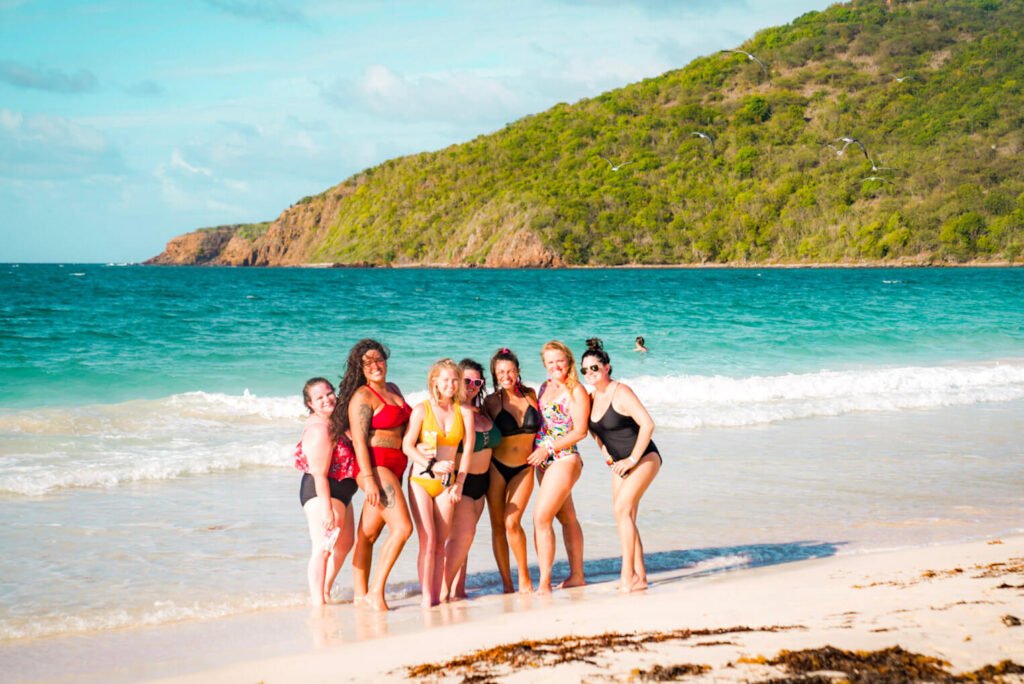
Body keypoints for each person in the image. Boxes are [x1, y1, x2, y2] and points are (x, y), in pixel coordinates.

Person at [333, 339, 413, 611]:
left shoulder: (394, 389)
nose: (375, 366)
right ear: (361, 368)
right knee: (403, 529)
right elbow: (358, 441)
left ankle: (359, 595)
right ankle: (376, 592)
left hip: (397, 466)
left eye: (379, 360)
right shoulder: (363, 397)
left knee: (368, 535)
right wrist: (367, 479)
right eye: (368, 363)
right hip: (376, 467)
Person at [582, 338, 661, 592]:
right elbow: (593, 430)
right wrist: (606, 454)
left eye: (594, 368)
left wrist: (632, 460)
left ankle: (627, 575)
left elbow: (648, 425)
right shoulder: (591, 397)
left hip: (644, 457)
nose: (590, 373)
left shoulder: (621, 391)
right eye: (585, 370)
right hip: (619, 463)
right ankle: (641, 578)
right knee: (625, 516)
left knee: (621, 510)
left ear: (607, 367)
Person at [403, 358, 474, 607]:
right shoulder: (422, 409)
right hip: (421, 480)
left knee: (441, 543)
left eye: (455, 379)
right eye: (445, 379)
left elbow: (466, 452)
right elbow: (407, 446)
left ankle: (436, 596)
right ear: (434, 381)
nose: (450, 384)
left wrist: (460, 483)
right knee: (428, 539)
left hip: (448, 484)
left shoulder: (464, 411)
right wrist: (431, 464)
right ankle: (426, 598)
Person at [527, 340, 590, 594]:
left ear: (569, 361)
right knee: (567, 517)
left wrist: (549, 448)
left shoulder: (576, 390)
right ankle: (577, 576)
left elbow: (580, 432)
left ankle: (544, 582)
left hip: (565, 458)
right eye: (550, 362)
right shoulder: (544, 387)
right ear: (545, 365)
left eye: (559, 360)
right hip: (544, 461)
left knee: (541, 517)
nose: (555, 366)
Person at [295, 377, 356, 605]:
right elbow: (319, 473)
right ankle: (317, 601)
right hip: (322, 492)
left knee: (346, 543)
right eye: (319, 398)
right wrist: (327, 510)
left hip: (341, 491)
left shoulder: (335, 421)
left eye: (329, 393)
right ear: (310, 404)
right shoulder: (320, 429)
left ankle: (326, 590)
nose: (326, 399)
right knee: (322, 548)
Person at [482, 347, 539, 593]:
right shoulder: (491, 402)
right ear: (495, 375)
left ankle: (524, 578)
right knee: (497, 525)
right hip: (496, 467)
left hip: (525, 467)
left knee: (512, 521)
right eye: (500, 372)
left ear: (518, 371)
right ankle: (507, 583)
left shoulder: (532, 394)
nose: (506, 375)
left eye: (510, 370)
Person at [444, 358, 499, 600]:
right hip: (462, 483)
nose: (472, 385)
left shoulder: (482, 411)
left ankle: (458, 590)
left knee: (464, 541)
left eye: (477, 381)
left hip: (483, 483)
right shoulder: (451, 411)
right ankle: (441, 591)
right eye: (466, 380)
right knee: (462, 537)